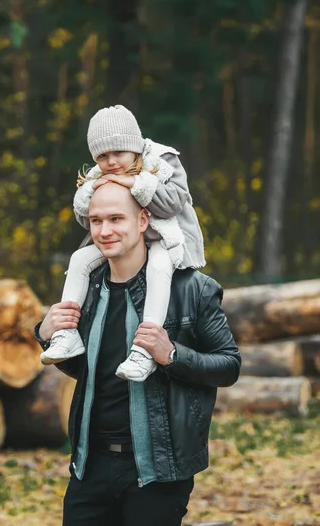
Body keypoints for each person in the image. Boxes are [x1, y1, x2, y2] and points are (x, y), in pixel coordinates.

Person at [34, 181, 241, 526]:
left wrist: (171, 354)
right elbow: (88, 368)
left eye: (117, 219)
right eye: (96, 221)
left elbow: (229, 365)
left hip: (157, 470)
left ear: (143, 221)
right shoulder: (88, 287)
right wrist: (45, 334)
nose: (105, 230)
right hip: (91, 465)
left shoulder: (192, 289)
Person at [40, 104, 206, 382]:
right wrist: (92, 192)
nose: (112, 161)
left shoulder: (162, 161)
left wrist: (134, 184)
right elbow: (87, 218)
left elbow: (174, 204)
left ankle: (145, 347)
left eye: (119, 152)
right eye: (103, 156)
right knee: (78, 259)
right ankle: (66, 333)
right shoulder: (98, 176)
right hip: (125, 244)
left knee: (158, 267)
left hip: (165, 239)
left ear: (136, 147)